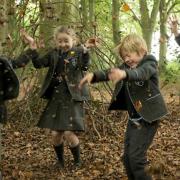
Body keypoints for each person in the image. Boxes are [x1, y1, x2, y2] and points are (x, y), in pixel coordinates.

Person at [79, 34, 168, 180]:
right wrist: (93, 76)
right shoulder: (126, 67)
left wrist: (125, 74)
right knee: (127, 158)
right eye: (123, 57)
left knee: (136, 159)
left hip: (148, 119)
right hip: (134, 120)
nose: (126, 60)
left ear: (141, 50)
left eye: (128, 55)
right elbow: (110, 72)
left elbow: (142, 73)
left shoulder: (149, 62)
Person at [22, 25, 97, 168]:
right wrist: (32, 48)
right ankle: (60, 162)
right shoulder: (53, 54)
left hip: (73, 97)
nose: (63, 44)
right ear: (56, 41)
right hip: (56, 97)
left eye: (66, 41)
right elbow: (38, 64)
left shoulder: (79, 52)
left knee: (69, 133)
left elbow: (85, 66)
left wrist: (86, 50)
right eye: (60, 41)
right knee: (55, 134)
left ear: (73, 40)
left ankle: (77, 161)